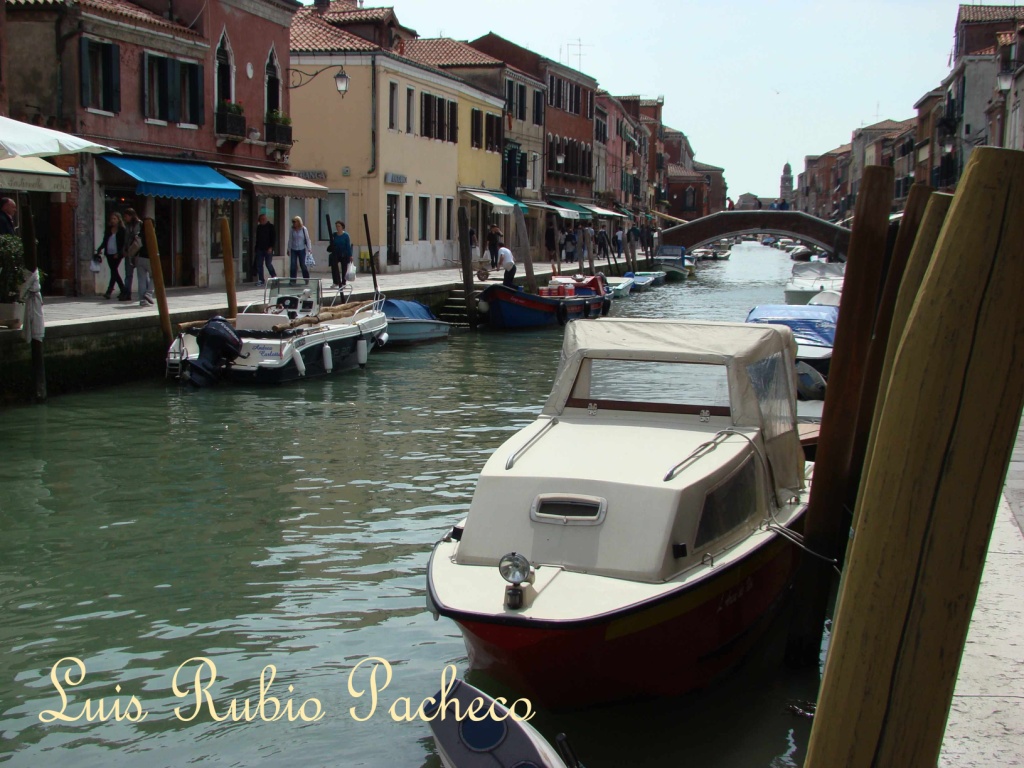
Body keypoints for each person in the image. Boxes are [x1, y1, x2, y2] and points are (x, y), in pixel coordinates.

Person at [96, 212, 125, 299]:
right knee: (114, 271)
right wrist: (100, 248)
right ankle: (123, 289)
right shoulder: (109, 229)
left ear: (118, 220)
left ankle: (109, 291)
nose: (112, 221)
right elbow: (105, 240)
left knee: (114, 271)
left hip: (117, 254)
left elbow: (123, 243)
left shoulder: (122, 230)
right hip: (109, 253)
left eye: (114, 219)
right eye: (111, 219)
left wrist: (119, 253)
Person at [120, 208, 143, 301]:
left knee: (141, 273)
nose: (125, 219)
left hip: (138, 252)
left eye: (126, 216)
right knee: (128, 274)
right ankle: (127, 293)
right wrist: (124, 250)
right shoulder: (127, 226)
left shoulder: (140, 224)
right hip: (129, 252)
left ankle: (143, 294)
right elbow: (126, 239)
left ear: (131, 216)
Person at [254, 213, 276, 287]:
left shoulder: (270, 227)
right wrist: (256, 248)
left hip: (268, 249)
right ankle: (261, 280)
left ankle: (274, 277)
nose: (263, 220)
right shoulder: (259, 227)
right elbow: (257, 239)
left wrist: (271, 247)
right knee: (259, 265)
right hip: (260, 249)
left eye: (264, 219)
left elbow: (273, 238)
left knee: (268, 264)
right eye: (261, 219)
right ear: (259, 220)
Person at [288, 215, 312, 284]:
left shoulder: (304, 229)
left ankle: (306, 278)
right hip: (293, 249)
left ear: (298, 222)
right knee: (293, 265)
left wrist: (309, 248)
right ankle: (292, 280)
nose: (294, 223)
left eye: (295, 222)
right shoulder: (292, 230)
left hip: (301, 249)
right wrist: (288, 249)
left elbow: (307, 239)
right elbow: (290, 240)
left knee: (303, 265)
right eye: (293, 222)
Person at [330, 220, 353, 289]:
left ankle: (343, 282)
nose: (337, 227)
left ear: (342, 227)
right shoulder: (334, 235)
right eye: (336, 226)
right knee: (334, 267)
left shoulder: (346, 235)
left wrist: (350, 255)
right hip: (336, 253)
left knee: (344, 268)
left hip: (344, 254)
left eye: (339, 226)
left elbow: (348, 246)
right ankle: (336, 282)